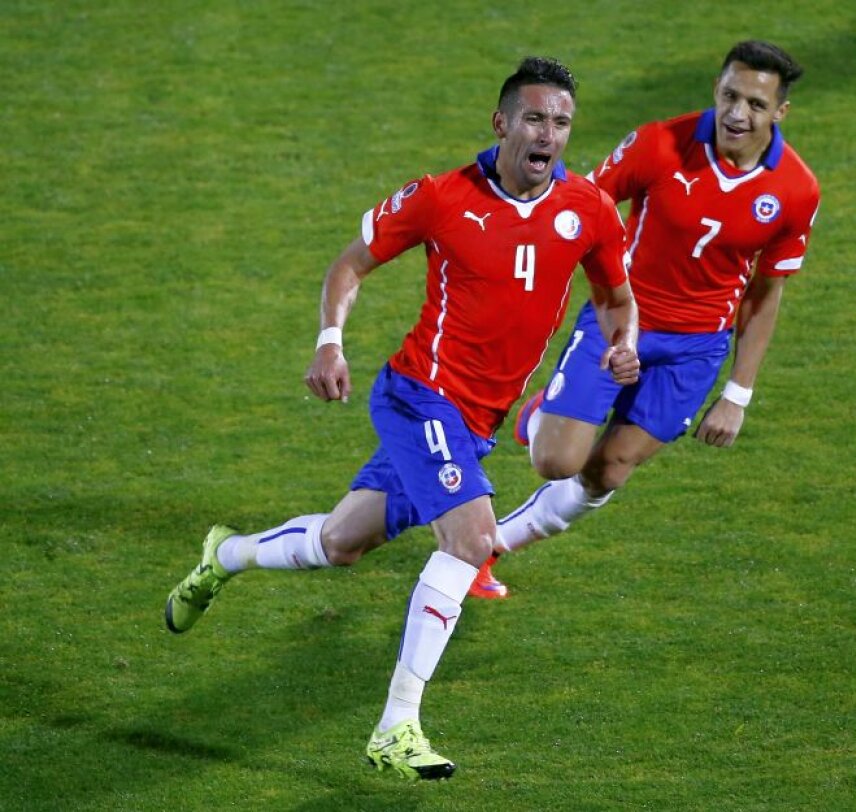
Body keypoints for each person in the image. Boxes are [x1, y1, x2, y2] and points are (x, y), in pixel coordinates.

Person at [163, 56, 639, 781]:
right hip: (421, 396)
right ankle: (397, 726)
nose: (550, 134)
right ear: (503, 122)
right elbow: (349, 266)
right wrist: (330, 342)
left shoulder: (590, 210)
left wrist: (623, 343)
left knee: (339, 542)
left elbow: (614, 293)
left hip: (475, 421)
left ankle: (223, 556)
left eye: (563, 122)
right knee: (474, 537)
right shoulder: (442, 198)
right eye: (536, 118)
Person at [471, 41, 818, 598]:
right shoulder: (660, 144)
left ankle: (488, 549)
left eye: (755, 104)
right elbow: (584, 204)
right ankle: (544, 413)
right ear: (716, 89)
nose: (737, 113)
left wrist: (737, 394)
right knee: (557, 462)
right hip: (622, 323)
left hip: (697, 347)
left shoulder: (796, 190)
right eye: (730, 96)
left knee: (607, 471)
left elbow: (765, 293)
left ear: (779, 113)